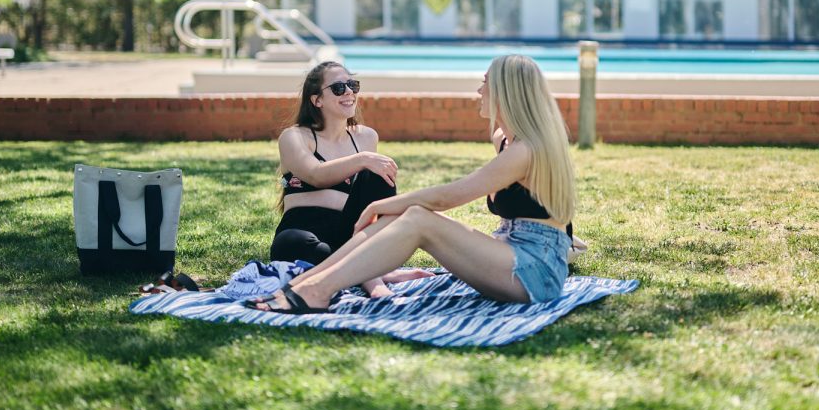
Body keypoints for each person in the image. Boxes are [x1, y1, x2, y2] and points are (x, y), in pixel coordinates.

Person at [246, 54, 576, 313]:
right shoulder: (508, 139)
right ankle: (307, 285)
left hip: (535, 271)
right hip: (514, 255)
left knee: (416, 217)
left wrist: (382, 204)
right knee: (410, 216)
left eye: (485, 83)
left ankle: (315, 290)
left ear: (506, 91)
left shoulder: (525, 150)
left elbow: (449, 196)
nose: (479, 90)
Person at [270, 60, 430, 298]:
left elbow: (374, 200)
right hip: (302, 229)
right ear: (317, 100)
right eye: (338, 88)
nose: (349, 92)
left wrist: (366, 160)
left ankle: (369, 274)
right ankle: (374, 275)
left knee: (376, 174)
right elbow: (316, 175)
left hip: (351, 231)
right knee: (293, 246)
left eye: (352, 85)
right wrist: (362, 159)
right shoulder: (294, 136)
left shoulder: (366, 137)